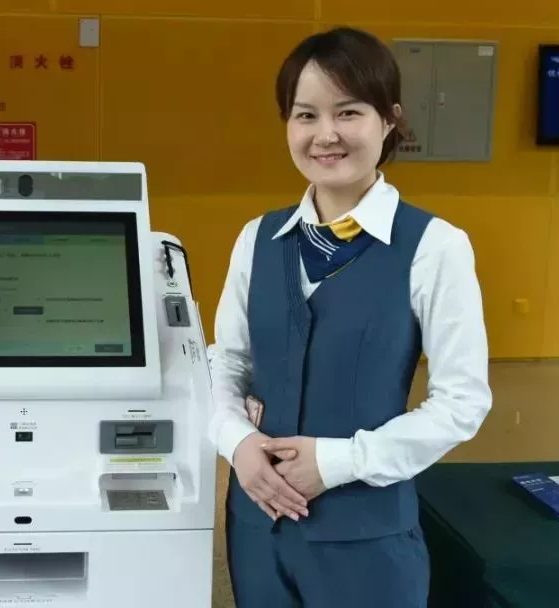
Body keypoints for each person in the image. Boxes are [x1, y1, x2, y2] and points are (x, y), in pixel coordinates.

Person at [207, 26, 492, 607]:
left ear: (389, 120)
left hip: (367, 537)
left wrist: (339, 461)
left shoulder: (435, 246)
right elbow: (226, 362)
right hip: (258, 527)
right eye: (305, 115)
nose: (325, 134)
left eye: (348, 112)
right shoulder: (257, 239)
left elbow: (463, 401)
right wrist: (237, 443)